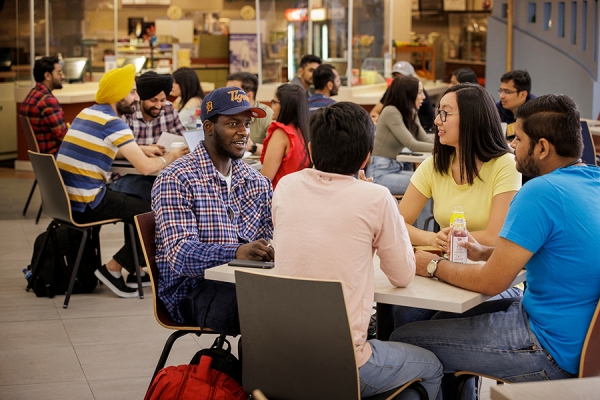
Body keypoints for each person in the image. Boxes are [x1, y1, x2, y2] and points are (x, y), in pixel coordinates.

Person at [390, 94, 600, 400]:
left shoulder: (540, 191)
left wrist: (431, 265)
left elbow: (491, 282)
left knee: (403, 340)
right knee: (432, 319)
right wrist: (486, 252)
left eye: (519, 138)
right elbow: (558, 251)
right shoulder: (593, 181)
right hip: (583, 344)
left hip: (548, 347)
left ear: (542, 148)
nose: (512, 144)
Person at [272, 102, 443, 400]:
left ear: (311, 151)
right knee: (432, 365)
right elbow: (402, 275)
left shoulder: (286, 186)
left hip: (278, 357)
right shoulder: (376, 198)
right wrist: (383, 211)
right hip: (346, 365)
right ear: (366, 157)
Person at [392, 83, 522, 329]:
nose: (437, 121)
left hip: (493, 277)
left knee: (437, 320)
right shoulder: (434, 164)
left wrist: (445, 244)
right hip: (443, 269)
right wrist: (434, 239)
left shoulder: (505, 164)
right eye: (438, 112)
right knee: (405, 313)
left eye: (445, 113)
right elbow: (397, 223)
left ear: (473, 118)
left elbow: (494, 237)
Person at [56, 65, 188, 298]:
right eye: (132, 93)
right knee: (158, 216)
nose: (136, 98)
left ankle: (137, 269)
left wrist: (139, 149)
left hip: (68, 201)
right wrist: (172, 156)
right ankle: (113, 269)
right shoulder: (114, 123)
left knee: (141, 205)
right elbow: (146, 168)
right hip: (89, 202)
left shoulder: (87, 113)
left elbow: (104, 148)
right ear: (117, 94)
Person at [151, 87, 273, 336]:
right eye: (232, 123)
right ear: (208, 127)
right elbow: (181, 255)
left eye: (247, 123)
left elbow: (271, 234)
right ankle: (253, 374)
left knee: (300, 301)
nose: (243, 132)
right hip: (192, 289)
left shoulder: (256, 181)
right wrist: (238, 252)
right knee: (270, 311)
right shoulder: (176, 179)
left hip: (244, 280)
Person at [114, 71, 187, 202]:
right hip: (125, 175)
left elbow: (184, 138)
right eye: (153, 100)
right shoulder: (127, 112)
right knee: (158, 195)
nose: (158, 106)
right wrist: (142, 149)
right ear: (140, 98)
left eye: (163, 100)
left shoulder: (169, 110)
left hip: (159, 174)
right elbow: (112, 150)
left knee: (182, 192)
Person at [365, 75, 433, 195]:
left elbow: (425, 139)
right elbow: (412, 144)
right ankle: (416, 215)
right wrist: (444, 148)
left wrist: (446, 144)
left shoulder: (410, 112)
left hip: (397, 168)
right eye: (420, 93)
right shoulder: (390, 111)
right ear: (409, 94)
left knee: (430, 179)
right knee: (425, 183)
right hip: (380, 172)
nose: (423, 97)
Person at [260, 84, 311, 189]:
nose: (271, 106)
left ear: (286, 106)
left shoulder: (281, 133)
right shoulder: (305, 132)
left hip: (279, 196)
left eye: (274, 102)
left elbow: (265, 179)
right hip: (298, 194)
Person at [19, 56, 67, 154]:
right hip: (55, 156)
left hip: (41, 159)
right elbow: (63, 136)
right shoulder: (47, 101)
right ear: (47, 75)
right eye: (59, 73)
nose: (63, 76)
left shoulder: (30, 96)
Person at [369, 61, 435, 131]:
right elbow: (375, 112)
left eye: (402, 77)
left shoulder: (417, 91)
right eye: (395, 76)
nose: (398, 80)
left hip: (424, 130)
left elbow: (406, 120)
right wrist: (376, 117)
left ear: (411, 79)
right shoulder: (393, 89)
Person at [226, 72, 274, 156]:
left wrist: (252, 146)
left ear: (248, 96)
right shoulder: (224, 112)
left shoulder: (267, 115)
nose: (226, 97)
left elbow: (275, 151)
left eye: (232, 94)